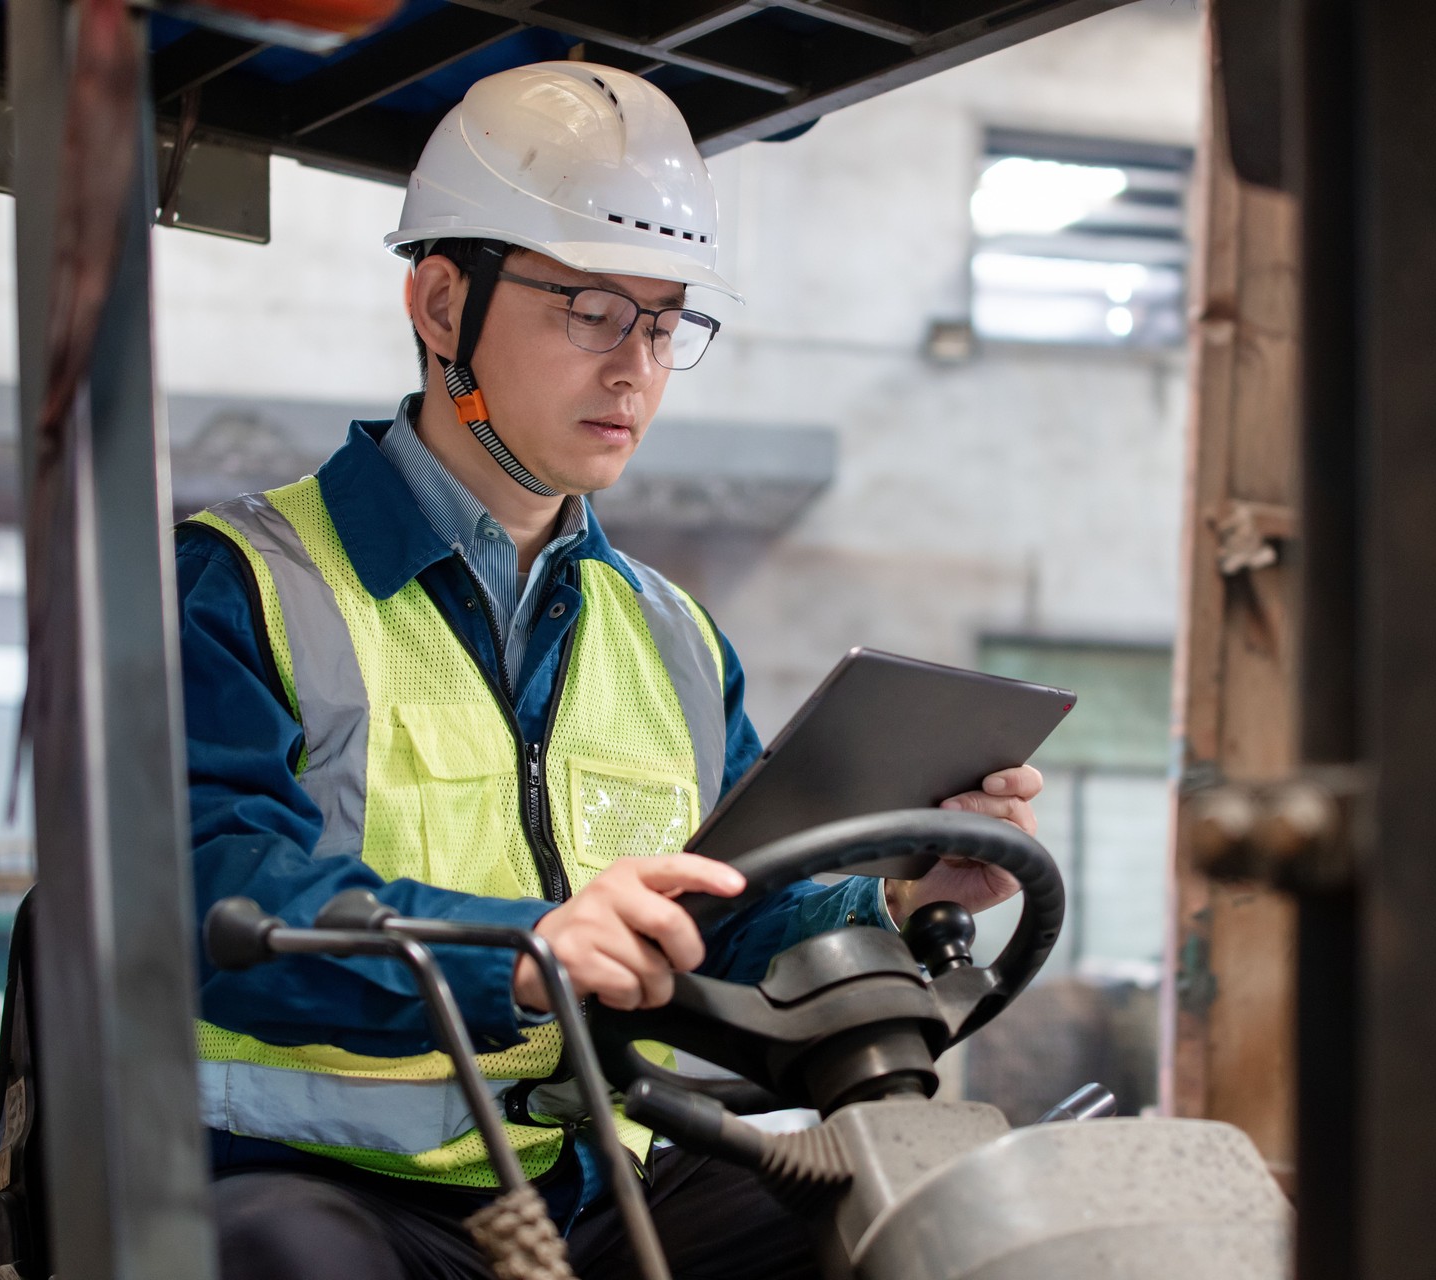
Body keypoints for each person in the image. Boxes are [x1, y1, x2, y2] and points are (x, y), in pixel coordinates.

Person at [177, 62, 1042, 1280]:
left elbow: (722, 915)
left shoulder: (673, 636)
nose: (636, 363)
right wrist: (526, 952)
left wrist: (895, 894)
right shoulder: (243, 586)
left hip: (600, 1179)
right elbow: (218, 896)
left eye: (664, 318)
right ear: (440, 305)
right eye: (589, 308)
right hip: (327, 1190)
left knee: (928, 1224)